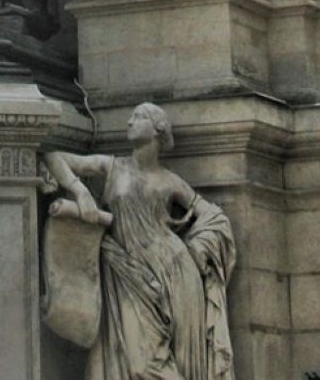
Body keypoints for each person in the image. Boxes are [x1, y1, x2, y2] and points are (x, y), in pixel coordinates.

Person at [42, 103, 236, 380]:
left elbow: (214, 216)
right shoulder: (112, 166)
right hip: (128, 272)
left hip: (175, 273)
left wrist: (195, 249)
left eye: (139, 116)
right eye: (131, 116)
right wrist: (80, 191)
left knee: (179, 358)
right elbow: (55, 157)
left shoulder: (170, 181)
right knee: (142, 363)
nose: (130, 121)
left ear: (159, 129)